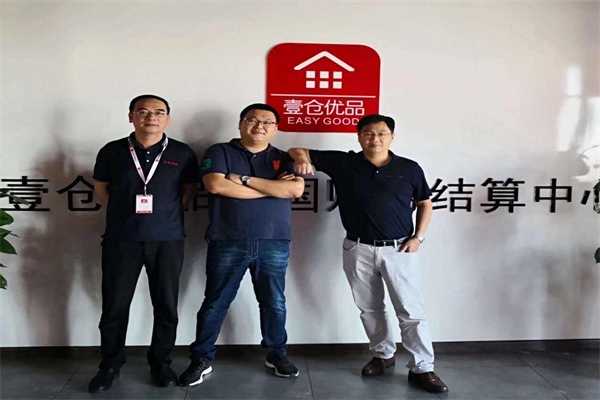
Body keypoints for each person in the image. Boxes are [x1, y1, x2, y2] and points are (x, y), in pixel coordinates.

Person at [288, 114, 448, 393]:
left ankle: (423, 367)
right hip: (357, 247)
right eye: (368, 133)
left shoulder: (409, 168)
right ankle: (383, 355)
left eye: (382, 133)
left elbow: (425, 203)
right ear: (359, 136)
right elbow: (296, 150)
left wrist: (418, 237)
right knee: (369, 307)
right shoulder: (344, 162)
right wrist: (301, 158)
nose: (375, 139)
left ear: (392, 137)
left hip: (399, 248)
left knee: (410, 310)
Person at [179, 103, 305, 386]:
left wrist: (244, 181)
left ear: (275, 128)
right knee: (215, 302)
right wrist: (271, 190)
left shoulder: (283, 158)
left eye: (267, 122)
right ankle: (201, 358)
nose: (259, 126)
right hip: (228, 238)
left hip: (273, 240)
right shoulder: (219, 151)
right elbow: (216, 185)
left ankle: (276, 354)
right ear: (240, 124)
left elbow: (295, 189)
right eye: (252, 120)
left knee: (274, 302)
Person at [90, 94, 199, 392]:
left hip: (168, 239)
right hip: (121, 239)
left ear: (167, 118)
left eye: (158, 112)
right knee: (114, 306)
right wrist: (124, 215)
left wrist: (166, 215)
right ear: (131, 117)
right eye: (143, 111)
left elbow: (189, 190)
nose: (151, 117)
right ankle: (110, 365)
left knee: (166, 306)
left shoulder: (182, 152)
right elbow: (101, 189)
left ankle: (161, 364)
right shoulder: (112, 151)